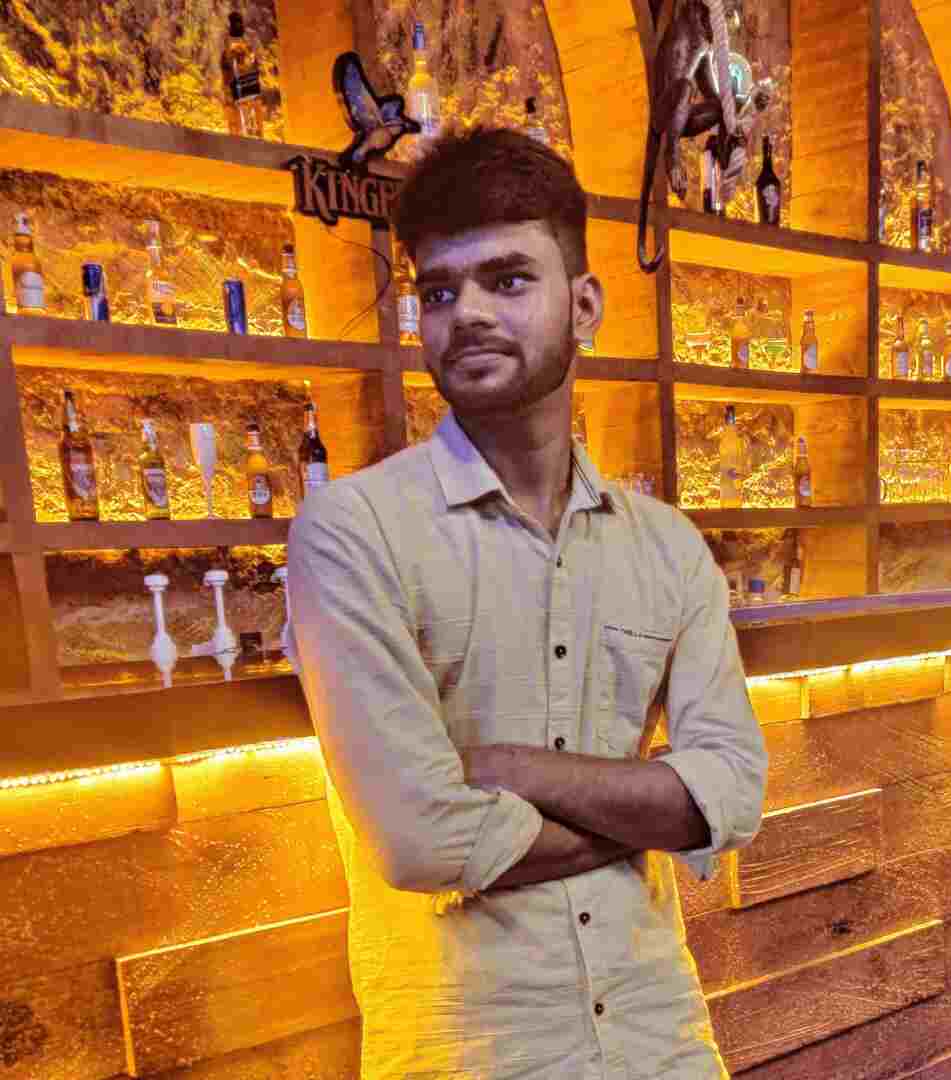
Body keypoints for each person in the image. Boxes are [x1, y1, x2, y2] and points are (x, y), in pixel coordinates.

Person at [287, 127, 768, 1080]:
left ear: (584, 305)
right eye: (439, 291)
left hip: (660, 1043)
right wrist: (652, 815)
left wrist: (508, 769)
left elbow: (734, 790)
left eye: (507, 280)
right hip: (471, 1055)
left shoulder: (666, 546)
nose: (466, 312)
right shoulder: (352, 532)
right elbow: (421, 838)